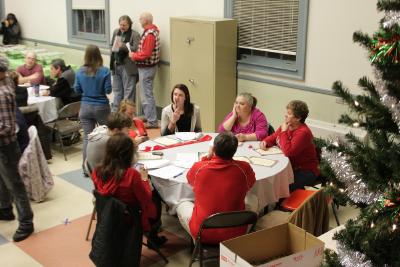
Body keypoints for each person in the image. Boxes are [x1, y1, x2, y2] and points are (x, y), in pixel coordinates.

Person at [176, 132, 256, 244]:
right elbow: (250, 184)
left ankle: (197, 242)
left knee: (181, 204)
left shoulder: (199, 168)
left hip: (203, 232)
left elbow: (190, 180)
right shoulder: (244, 168)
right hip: (235, 232)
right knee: (253, 198)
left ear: (213, 148)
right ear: (235, 150)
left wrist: (206, 159)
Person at [92, 133, 166, 246]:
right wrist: (145, 179)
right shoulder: (131, 175)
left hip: (109, 216)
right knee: (156, 196)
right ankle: (153, 237)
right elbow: (146, 198)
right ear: (127, 154)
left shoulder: (97, 171)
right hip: (131, 218)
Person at [0, 56, 34, 242]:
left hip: (6, 145)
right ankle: (5, 209)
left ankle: (26, 222)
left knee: (15, 184)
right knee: (2, 178)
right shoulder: (5, 79)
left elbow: (6, 127)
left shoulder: (3, 94)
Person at [260, 100, 319, 192]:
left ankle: (279, 204)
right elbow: (273, 137)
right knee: (269, 181)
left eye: (289, 113)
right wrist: (265, 142)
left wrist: (283, 132)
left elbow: (289, 152)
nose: (285, 115)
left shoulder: (303, 133)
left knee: (278, 187)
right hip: (290, 166)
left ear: (298, 118)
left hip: (305, 171)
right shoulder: (287, 125)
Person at [74, 44, 112, 176]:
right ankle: (106, 167)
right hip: (101, 106)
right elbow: (108, 90)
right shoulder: (105, 71)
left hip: (85, 107)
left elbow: (77, 89)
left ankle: (86, 168)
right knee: (106, 136)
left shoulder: (79, 71)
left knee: (87, 138)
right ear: (99, 55)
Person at [129, 12, 160, 128]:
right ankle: (149, 117)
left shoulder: (150, 34)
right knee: (147, 94)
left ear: (146, 20)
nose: (139, 20)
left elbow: (146, 54)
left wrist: (133, 55)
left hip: (147, 69)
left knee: (146, 95)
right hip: (148, 68)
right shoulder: (152, 31)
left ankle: (152, 121)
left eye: (141, 18)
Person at [110, 15, 140, 112]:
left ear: (129, 24)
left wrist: (124, 46)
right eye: (121, 25)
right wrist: (114, 47)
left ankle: (127, 115)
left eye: (125, 25)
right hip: (116, 64)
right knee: (117, 91)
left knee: (129, 92)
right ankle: (115, 114)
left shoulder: (134, 35)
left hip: (128, 66)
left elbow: (136, 49)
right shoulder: (116, 32)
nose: (122, 27)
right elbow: (112, 46)